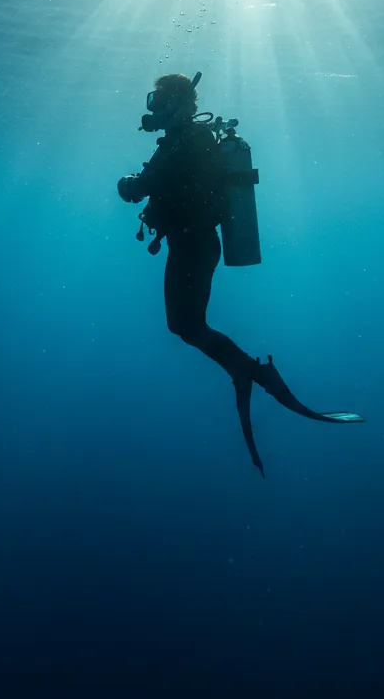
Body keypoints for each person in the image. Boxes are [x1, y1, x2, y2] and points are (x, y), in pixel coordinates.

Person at [117, 72, 364, 477]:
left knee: (185, 324)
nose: (153, 108)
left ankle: (249, 372)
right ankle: (246, 371)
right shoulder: (185, 140)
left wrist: (128, 183)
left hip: (194, 244)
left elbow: (143, 186)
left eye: (159, 100)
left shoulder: (186, 141)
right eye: (152, 99)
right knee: (184, 324)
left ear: (178, 103)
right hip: (191, 243)